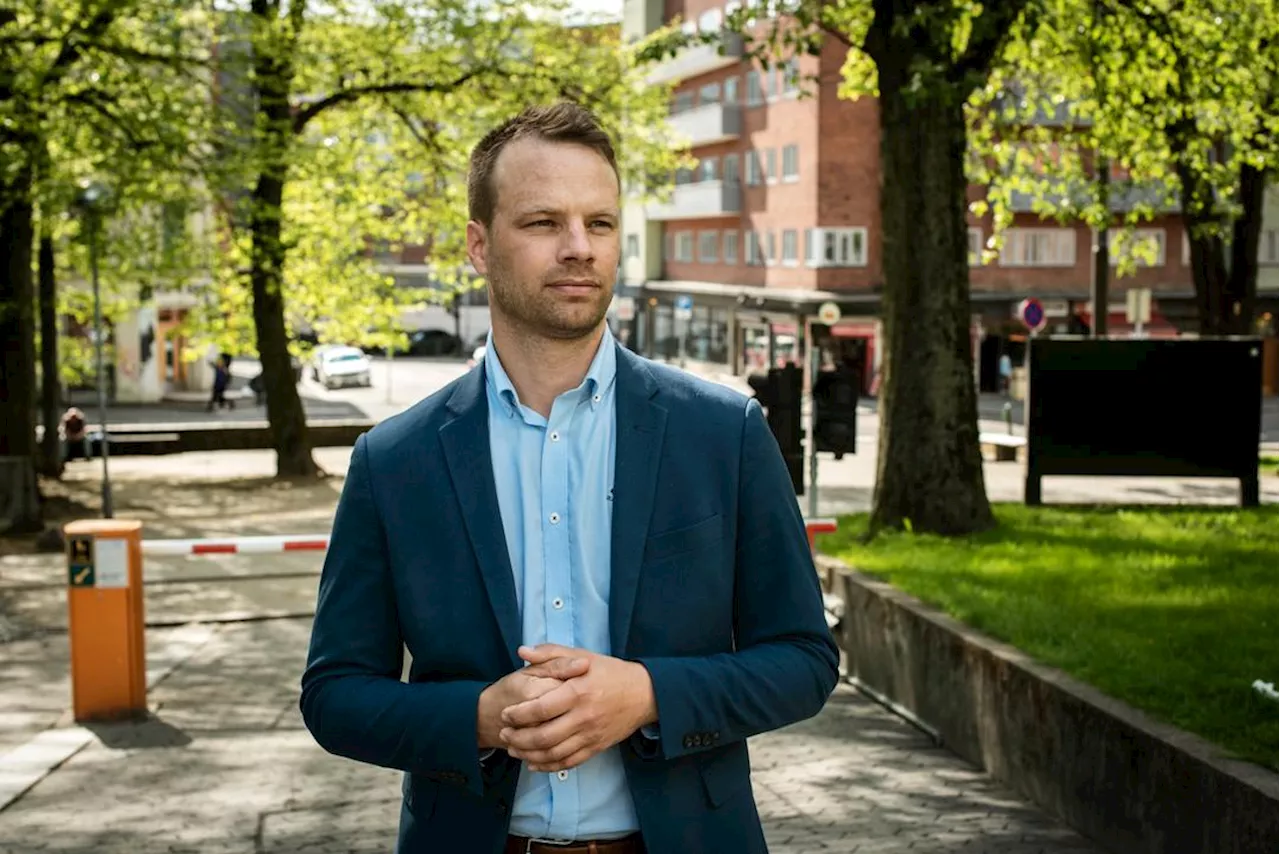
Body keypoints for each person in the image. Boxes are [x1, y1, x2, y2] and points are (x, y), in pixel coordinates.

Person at [300, 102, 839, 854]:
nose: (579, 248)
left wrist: (647, 696)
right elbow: (333, 695)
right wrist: (481, 717)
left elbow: (805, 660)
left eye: (601, 223)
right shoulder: (394, 459)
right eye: (544, 222)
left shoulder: (725, 433)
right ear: (479, 247)